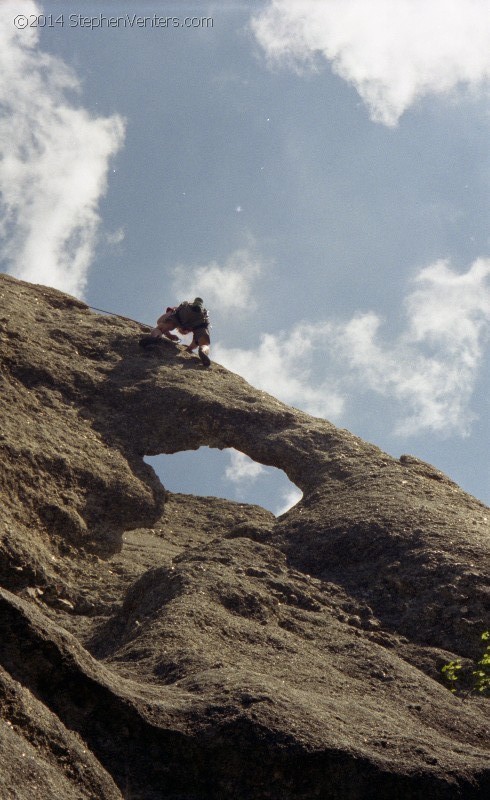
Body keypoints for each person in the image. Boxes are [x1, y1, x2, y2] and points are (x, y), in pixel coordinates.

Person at [139, 297, 211, 366]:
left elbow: (160, 321)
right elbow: (196, 342)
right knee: (204, 343)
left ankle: (154, 337)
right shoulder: (195, 325)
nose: (185, 332)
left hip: (184, 312)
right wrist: (189, 349)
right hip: (201, 318)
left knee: (161, 328)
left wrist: (168, 335)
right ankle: (203, 351)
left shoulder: (179, 310)